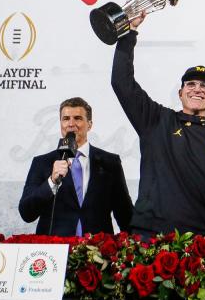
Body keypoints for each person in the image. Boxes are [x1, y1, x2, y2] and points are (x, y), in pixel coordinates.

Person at [111, 23, 205, 242]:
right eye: (191, 84)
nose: (197, 89)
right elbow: (122, 82)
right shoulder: (156, 120)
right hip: (150, 243)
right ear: (181, 93)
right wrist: (128, 35)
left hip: (203, 249)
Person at [19, 97, 133, 236]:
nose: (71, 124)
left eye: (77, 118)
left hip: (98, 251)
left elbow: (125, 214)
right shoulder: (42, 162)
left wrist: (135, 248)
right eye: (66, 119)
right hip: (55, 252)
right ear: (61, 123)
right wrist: (51, 182)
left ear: (89, 124)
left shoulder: (110, 162)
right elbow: (26, 213)